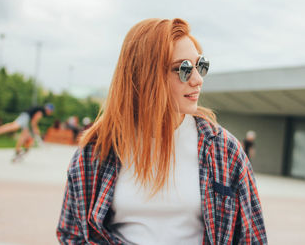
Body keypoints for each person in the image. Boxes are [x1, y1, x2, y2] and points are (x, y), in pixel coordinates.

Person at [57, 18, 267, 244]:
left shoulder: (224, 151)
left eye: (200, 65)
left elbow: (252, 239)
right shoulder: (97, 151)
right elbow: (72, 234)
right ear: (144, 75)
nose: (197, 80)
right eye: (183, 69)